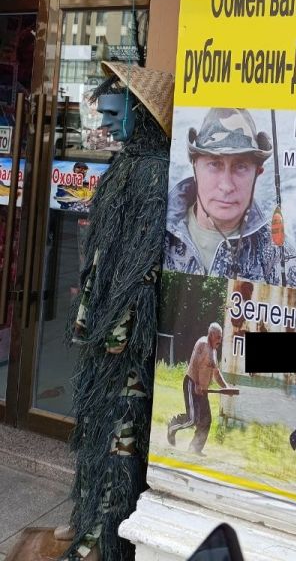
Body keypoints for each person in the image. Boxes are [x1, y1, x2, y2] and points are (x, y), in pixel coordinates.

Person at [55, 61, 174, 561]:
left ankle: (103, 535)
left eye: (114, 112)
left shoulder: (152, 172)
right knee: (96, 425)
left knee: (117, 434)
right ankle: (87, 520)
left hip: (123, 331)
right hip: (107, 320)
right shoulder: (130, 166)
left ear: (140, 113)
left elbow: (144, 261)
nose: (106, 123)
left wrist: (116, 323)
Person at [165, 107, 296, 289]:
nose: (226, 186)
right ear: (194, 166)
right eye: (214, 164)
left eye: (240, 166)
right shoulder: (156, 232)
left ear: (257, 173)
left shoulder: (280, 256)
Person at [166, 322, 230, 455]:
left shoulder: (213, 351)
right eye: (218, 337)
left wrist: (226, 388)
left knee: (206, 420)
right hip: (191, 384)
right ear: (211, 334)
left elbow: (216, 374)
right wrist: (196, 383)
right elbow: (194, 363)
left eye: (221, 337)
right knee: (192, 419)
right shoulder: (202, 344)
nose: (220, 340)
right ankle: (173, 425)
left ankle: (195, 448)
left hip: (203, 391)